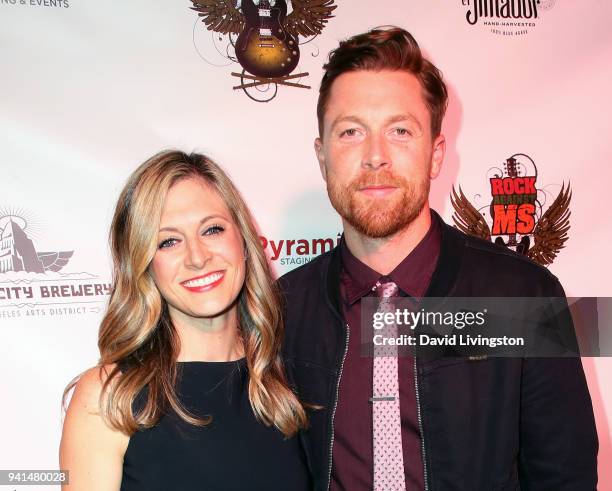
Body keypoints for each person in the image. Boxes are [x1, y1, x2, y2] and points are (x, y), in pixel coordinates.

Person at [279, 26, 598, 490]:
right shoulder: (283, 311)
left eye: (400, 131)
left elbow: (563, 477)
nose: (375, 157)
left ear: (435, 154)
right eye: (351, 132)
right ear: (322, 156)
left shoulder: (522, 296)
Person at [60, 150, 310, 491]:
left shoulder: (285, 375)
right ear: (144, 264)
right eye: (169, 241)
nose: (197, 257)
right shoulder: (109, 397)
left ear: (244, 241)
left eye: (212, 230)